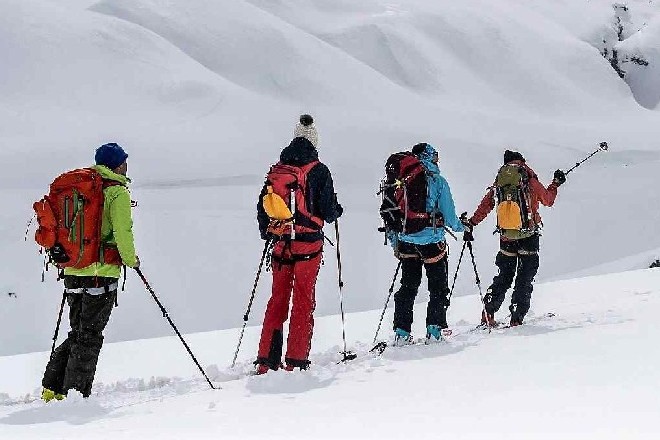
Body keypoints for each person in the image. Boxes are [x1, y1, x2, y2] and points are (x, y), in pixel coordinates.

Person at [41, 143, 139, 401]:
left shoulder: (81, 188)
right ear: (116, 164)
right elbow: (122, 232)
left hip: (73, 269)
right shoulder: (116, 192)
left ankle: (52, 388)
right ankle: (74, 394)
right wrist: (131, 260)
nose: (126, 165)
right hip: (101, 272)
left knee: (78, 332)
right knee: (89, 335)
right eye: (124, 161)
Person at [255, 115, 343, 374]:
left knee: (277, 300)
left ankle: (266, 360)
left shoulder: (277, 169)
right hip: (308, 247)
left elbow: (263, 206)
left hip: (281, 245)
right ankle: (295, 360)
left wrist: (268, 234)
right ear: (314, 141)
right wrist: (337, 210)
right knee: (303, 300)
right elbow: (328, 212)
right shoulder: (319, 170)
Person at [463, 149, 566, 327]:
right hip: (528, 235)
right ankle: (516, 317)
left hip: (506, 237)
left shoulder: (501, 180)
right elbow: (548, 200)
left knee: (504, 276)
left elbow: (486, 205)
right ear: (521, 161)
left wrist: (472, 222)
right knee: (524, 278)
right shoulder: (527, 177)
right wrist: (555, 184)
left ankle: (488, 311)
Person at [389, 143, 464, 345]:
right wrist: (463, 227)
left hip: (405, 241)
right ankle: (434, 330)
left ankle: (402, 332)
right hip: (431, 241)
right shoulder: (438, 181)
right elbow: (449, 217)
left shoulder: (400, 181)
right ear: (431, 157)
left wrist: (395, 242)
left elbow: (392, 213)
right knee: (438, 287)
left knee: (408, 286)